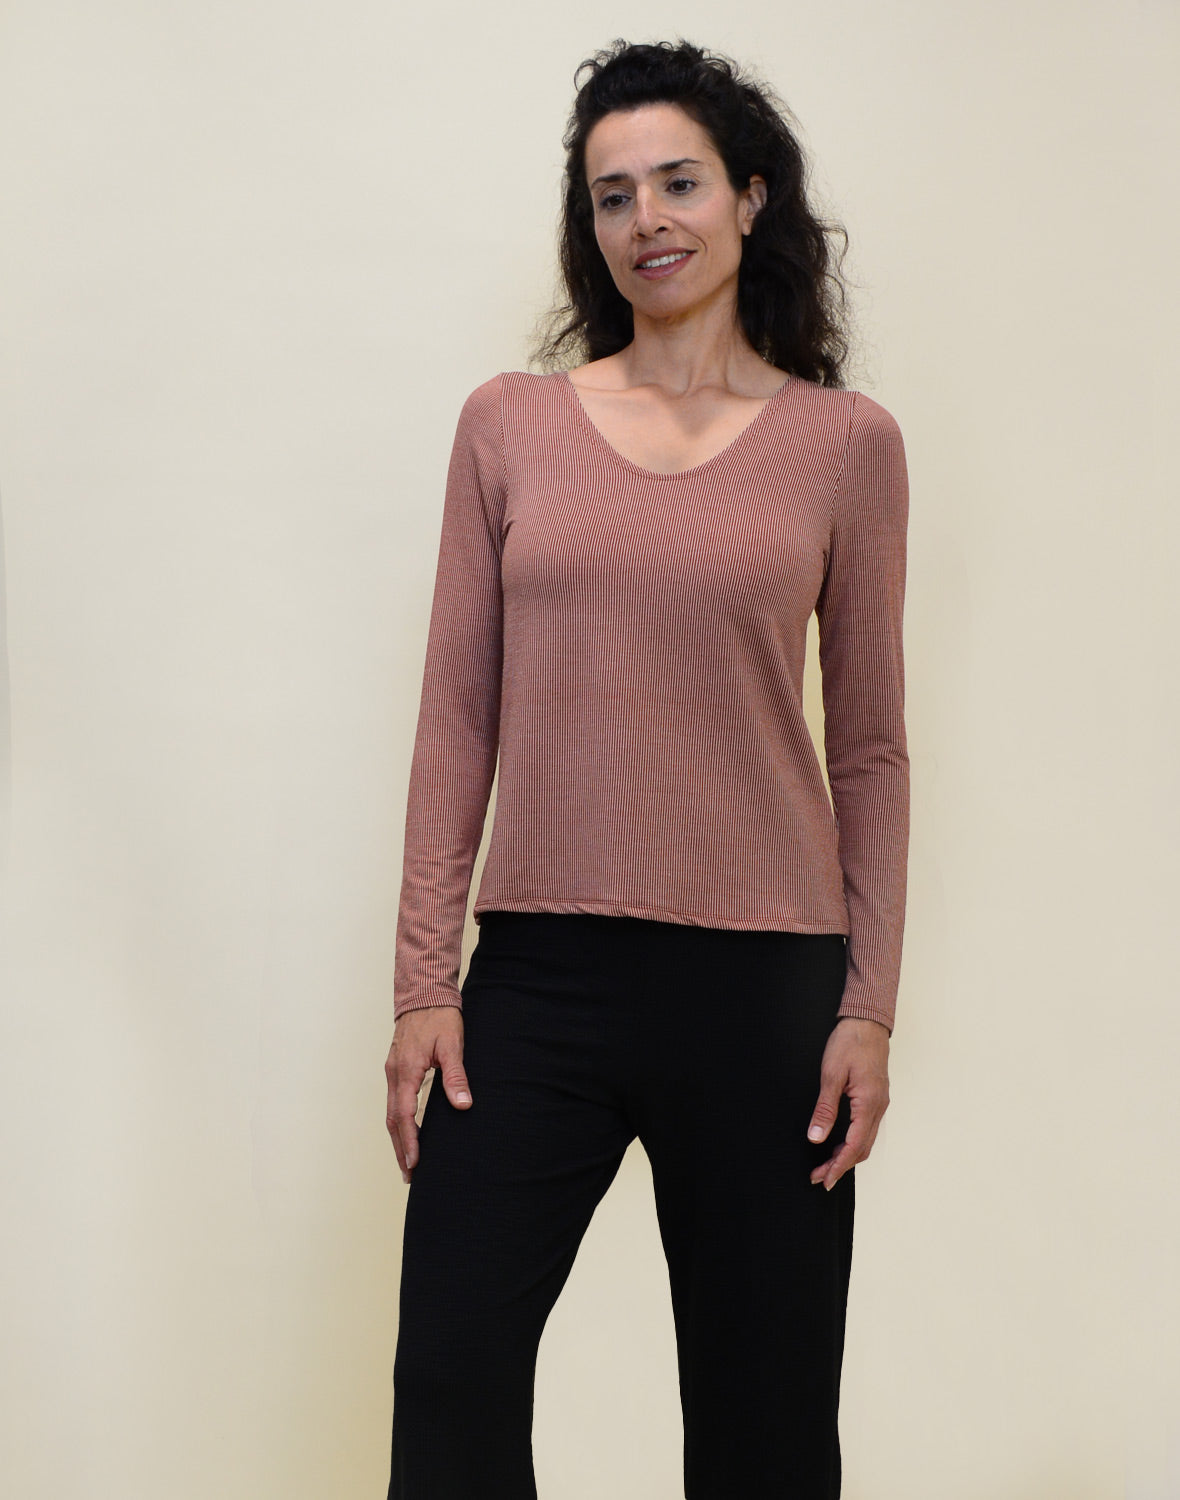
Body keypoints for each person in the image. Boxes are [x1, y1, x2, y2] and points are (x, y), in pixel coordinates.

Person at [382, 36, 909, 1500]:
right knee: (452, 1380)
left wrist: (868, 1005)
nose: (647, 220)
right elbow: (457, 715)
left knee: (765, 1424)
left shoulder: (845, 446)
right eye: (613, 195)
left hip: (767, 989)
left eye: (679, 182)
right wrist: (426, 981)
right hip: (539, 980)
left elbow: (870, 747)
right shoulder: (511, 425)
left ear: (751, 198)